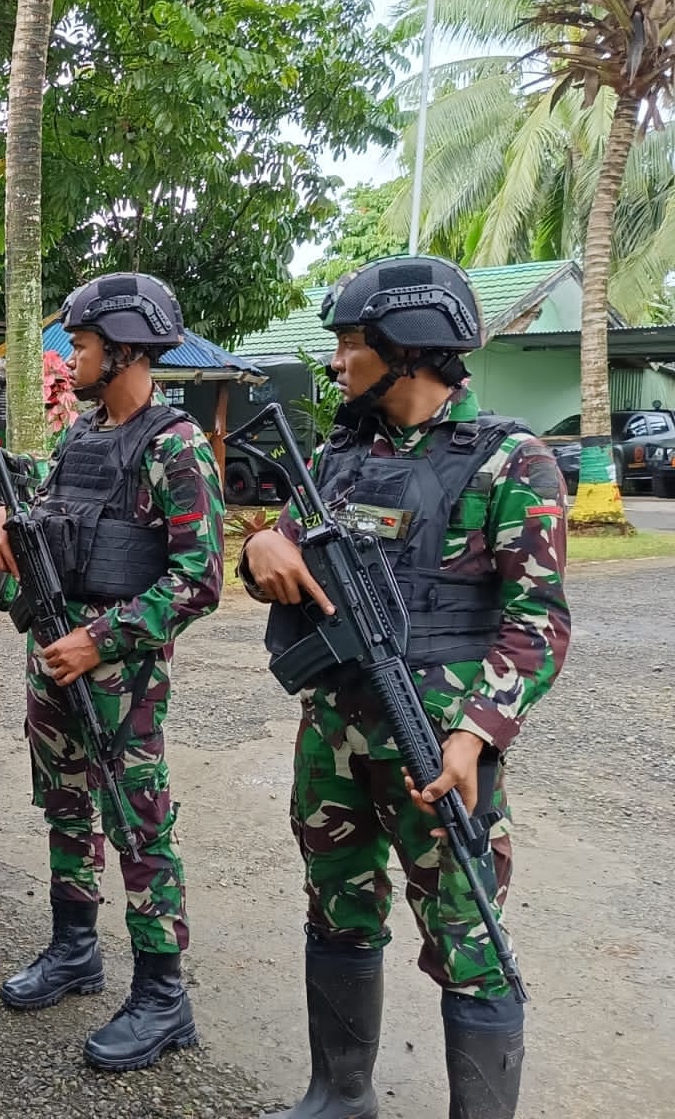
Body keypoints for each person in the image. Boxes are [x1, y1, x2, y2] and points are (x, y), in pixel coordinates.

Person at [241, 255, 569, 1119]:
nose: (339, 362)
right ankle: (340, 1093)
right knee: (338, 908)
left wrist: (474, 734)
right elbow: (283, 547)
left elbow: (539, 623)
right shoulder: (338, 457)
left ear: (409, 348)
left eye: (352, 343)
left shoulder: (511, 462)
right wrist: (261, 549)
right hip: (335, 736)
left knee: (469, 938)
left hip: (439, 751)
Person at [0, 273, 225, 1072]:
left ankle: (163, 994)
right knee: (64, 810)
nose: (71, 357)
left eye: (81, 345)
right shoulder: (80, 439)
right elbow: (52, 524)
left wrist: (102, 639)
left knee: (138, 822)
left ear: (123, 347)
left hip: (118, 675)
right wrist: (4, 527)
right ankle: (75, 949)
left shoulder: (174, 446)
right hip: (52, 657)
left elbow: (197, 581)